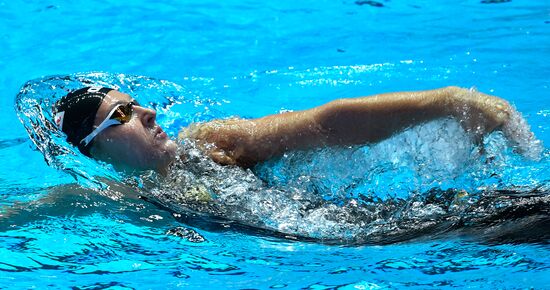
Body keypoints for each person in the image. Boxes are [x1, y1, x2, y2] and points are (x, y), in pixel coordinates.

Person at [53, 86, 516, 175]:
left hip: (371, 230)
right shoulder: (103, 199)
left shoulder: (210, 145)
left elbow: (322, 123)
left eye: (136, 104)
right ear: (95, 150)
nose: (149, 112)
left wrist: (451, 101)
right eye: (122, 115)